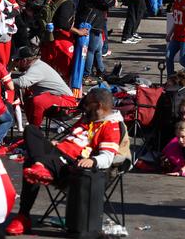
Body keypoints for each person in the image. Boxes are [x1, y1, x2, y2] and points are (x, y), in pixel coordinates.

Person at [6, 88, 122, 236]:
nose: (84, 106)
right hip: (57, 155)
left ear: (98, 105)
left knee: (31, 163)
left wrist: (92, 161)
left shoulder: (111, 126)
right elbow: (70, 139)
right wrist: (55, 143)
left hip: (70, 165)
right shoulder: (87, 119)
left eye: (87, 104)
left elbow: (108, 157)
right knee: (31, 130)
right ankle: (40, 166)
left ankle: (23, 216)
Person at [13, 47, 77, 126]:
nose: (15, 64)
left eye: (16, 61)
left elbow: (22, 82)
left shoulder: (36, 68)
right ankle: (32, 129)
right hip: (57, 98)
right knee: (28, 98)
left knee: (38, 100)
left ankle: (34, 130)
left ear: (24, 60)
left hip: (67, 103)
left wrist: (4, 81)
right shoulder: (36, 65)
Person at [76, 0, 115, 84]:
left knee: (98, 48)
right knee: (91, 50)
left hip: (94, 22)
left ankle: (100, 71)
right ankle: (86, 74)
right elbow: (105, 3)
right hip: (91, 23)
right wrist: (114, 0)